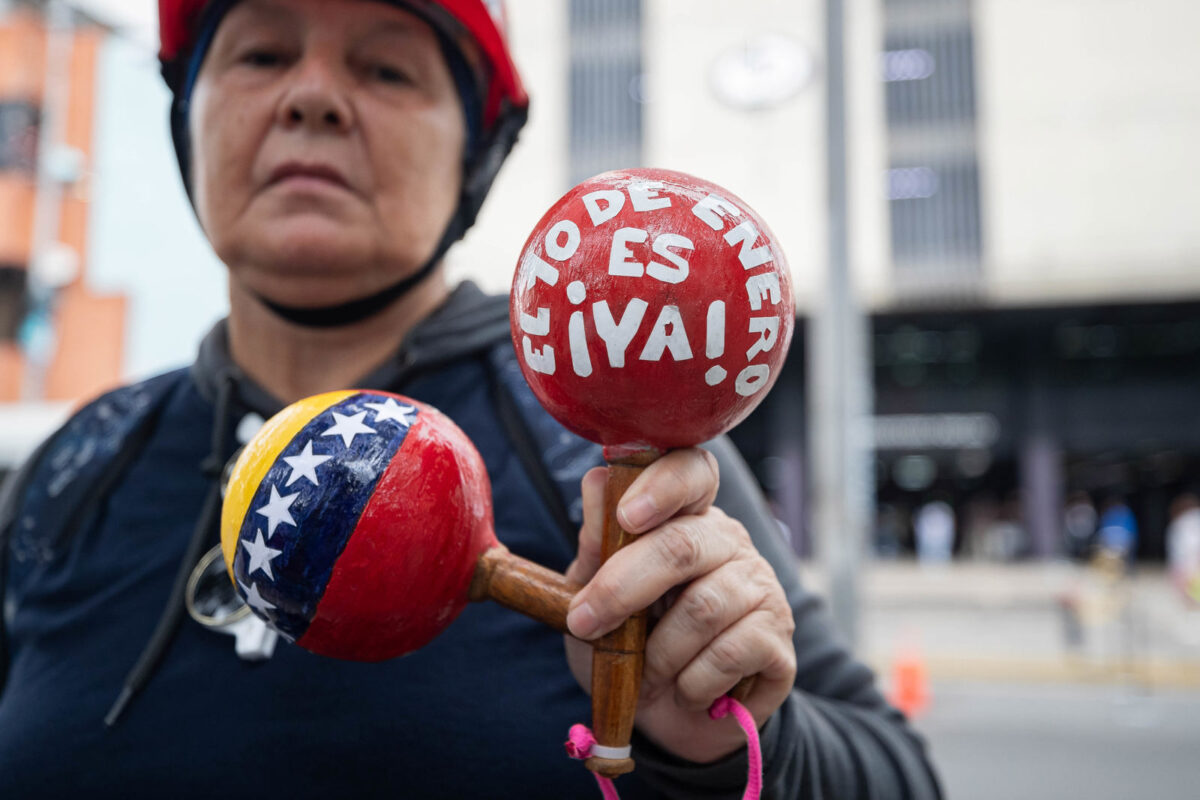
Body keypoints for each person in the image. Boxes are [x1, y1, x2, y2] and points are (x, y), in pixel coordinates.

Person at [0, 2, 942, 798]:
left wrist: (720, 742)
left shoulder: (612, 449)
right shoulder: (76, 466)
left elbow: (899, 774)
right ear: (188, 116)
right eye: (261, 53)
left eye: (386, 70)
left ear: (476, 153)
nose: (314, 96)